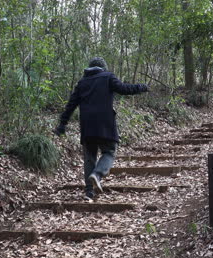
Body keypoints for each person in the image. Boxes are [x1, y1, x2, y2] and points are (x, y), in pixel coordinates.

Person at [54, 57, 149, 200]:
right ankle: (97, 174)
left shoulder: (82, 83)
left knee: (89, 157)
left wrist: (62, 124)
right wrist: (140, 87)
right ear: (103, 67)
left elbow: (70, 105)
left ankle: (89, 192)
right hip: (105, 123)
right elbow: (123, 89)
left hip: (87, 125)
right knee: (109, 151)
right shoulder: (108, 77)